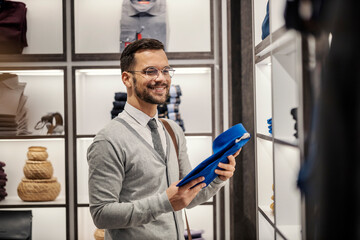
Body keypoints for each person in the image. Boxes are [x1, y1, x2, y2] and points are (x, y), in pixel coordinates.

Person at [87, 38, 241, 240]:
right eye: (150, 71)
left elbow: (187, 197)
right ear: (126, 79)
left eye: (166, 70)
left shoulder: (172, 130)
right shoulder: (108, 140)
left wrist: (219, 178)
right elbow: (101, 215)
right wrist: (164, 203)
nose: (161, 78)